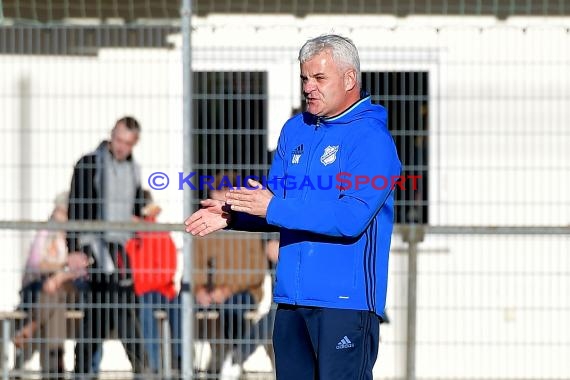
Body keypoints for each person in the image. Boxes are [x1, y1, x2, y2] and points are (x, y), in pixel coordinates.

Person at [184, 34, 401, 379]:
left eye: (319, 78)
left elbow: (349, 218)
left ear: (349, 79)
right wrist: (232, 214)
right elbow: (277, 205)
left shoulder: (371, 139)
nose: (309, 87)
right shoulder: (295, 130)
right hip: (290, 302)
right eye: (304, 78)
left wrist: (270, 206)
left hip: (345, 304)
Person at [67, 116, 147, 379]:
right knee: (111, 304)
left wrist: (139, 216)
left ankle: (84, 369)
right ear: (112, 134)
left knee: (105, 310)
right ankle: (141, 367)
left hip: (120, 247)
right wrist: (74, 248)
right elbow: (75, 206)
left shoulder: (134, 169)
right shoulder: (89, 164)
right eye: (118, 140)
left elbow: (135, 205)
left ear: (134, 143)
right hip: (94, 244)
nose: (121, 147)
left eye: (127, 143)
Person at [192, 171, 268, 376]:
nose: (214, 197)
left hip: (244, 292)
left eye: (220, 192)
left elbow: (256, 271)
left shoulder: (248, 226)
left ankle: (234, 359)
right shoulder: (205, 225)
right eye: (213, 191)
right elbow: (195, 264)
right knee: (176, 305)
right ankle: (180, 363)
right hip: (210, 291)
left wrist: (228, 289)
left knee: (233, 306)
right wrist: (199, 288)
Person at [13, 192, 88, 378]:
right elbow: (37, 265)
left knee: (55, 293)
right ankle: (54, 368)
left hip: (70, 289)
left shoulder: (76, 235)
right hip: (43, 290)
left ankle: (31, 328)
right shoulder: (47, 233)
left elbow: (84, 267)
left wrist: (59, 277)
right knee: (55, 303)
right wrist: (61, 268)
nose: (60, 217)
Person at [125, 190, 181, 374]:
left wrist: (144, 285)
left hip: (159, 291)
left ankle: (172, 363)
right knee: (137, 305)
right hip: (139, 292)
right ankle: (150, 364)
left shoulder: (158, 233)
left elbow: (168, 271)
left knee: (157, 304)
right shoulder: (128, 238)